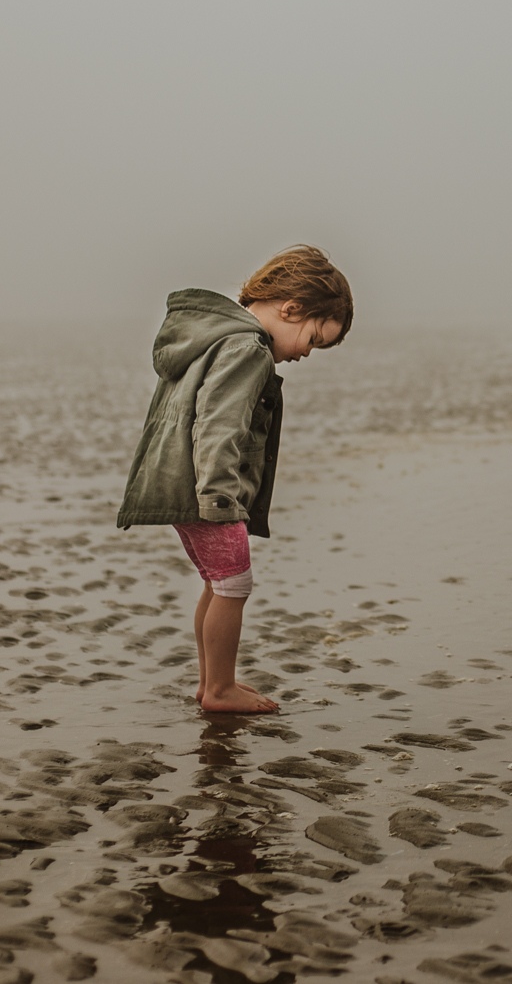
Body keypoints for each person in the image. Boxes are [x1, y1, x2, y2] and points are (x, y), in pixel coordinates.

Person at [118, 245, 353, 713]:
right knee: (233, 585)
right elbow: (218, 423)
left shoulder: (215, 337)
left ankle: (212, 684)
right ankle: (220, 690)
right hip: (209, 489)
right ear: (290, 308)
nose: (308, 353)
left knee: (217, 582)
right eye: (312, 338)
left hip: (186, 482)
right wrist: (220, 494)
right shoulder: (248, 350)